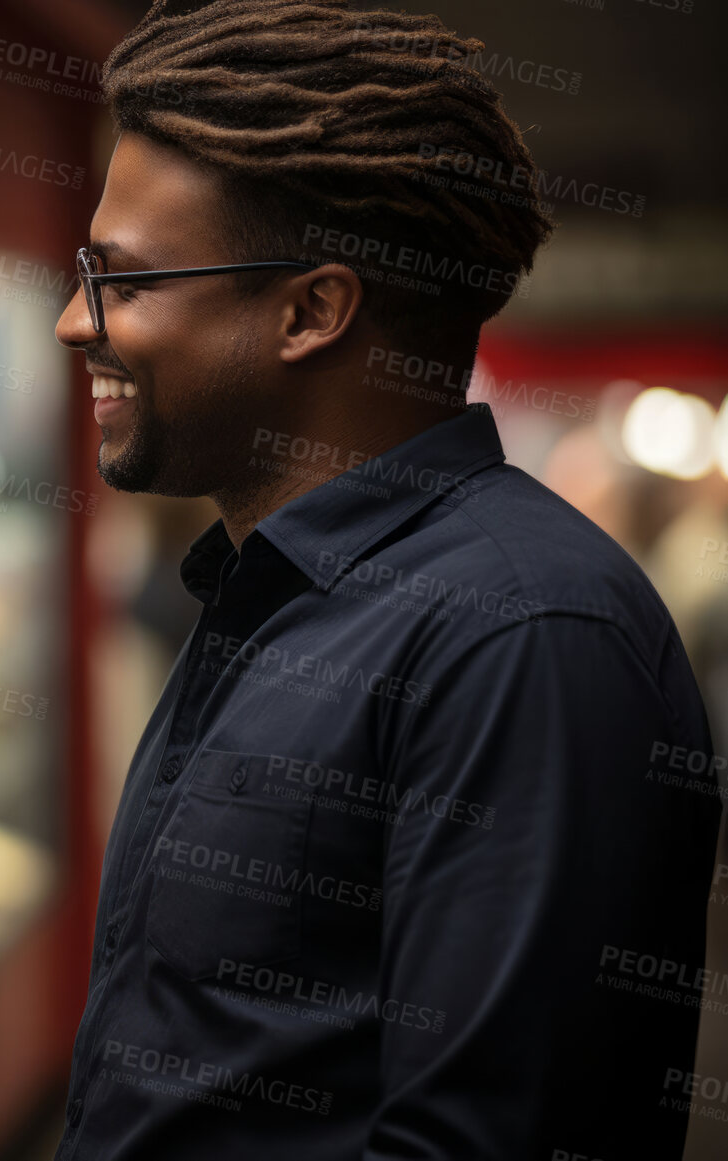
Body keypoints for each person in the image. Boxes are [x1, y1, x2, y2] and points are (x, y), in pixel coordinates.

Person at [52, 1, 722, 1158]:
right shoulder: (271, 592)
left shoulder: (522, 637)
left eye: (123, 281)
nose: (74, 323)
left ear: (311, 310)